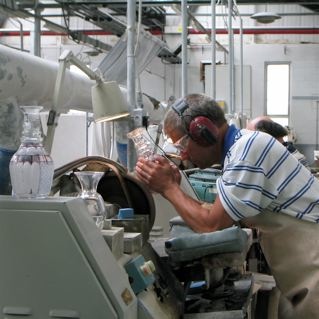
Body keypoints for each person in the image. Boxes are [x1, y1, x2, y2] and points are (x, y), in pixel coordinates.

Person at [135, 93, 319, 319]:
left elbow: (211, 223)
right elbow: (215, 212)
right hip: (303, 275)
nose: (182, 153)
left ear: (204, 131)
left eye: (183, 143)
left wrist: (168, 188)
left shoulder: (247, 151)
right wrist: (175, 182)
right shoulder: (238, 152)